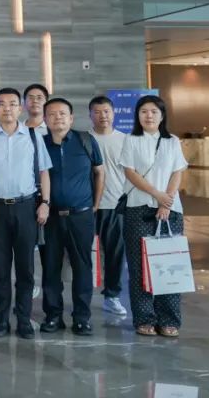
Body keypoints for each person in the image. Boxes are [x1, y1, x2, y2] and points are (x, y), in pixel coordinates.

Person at [0, 88, 51, 339]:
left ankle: (24, 319)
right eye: (2, 104)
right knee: (0, 267)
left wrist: (45, 202)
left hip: (26, 207)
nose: (7, 108)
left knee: (26, 268)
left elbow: (44, 172)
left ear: (20, 108)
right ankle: (2, 319)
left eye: (12, 104)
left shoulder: (33, 136)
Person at [118, 96, 188, 338]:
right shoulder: (131, 139)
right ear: (137, 115)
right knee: (139, 267)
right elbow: (130, 172)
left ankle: (169, 320)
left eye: (154, 112)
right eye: (144, 111)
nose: (148, 116)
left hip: (170, 209)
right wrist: (157, 195)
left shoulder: (172, 141)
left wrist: (166, 201)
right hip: (138, 208)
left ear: (162, 115)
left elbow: (177, 172)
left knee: (169, 264)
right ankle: (144, 319)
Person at [39, 98, 103, 336]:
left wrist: (95, 205)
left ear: (71, 117)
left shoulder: (86, 141)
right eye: (52, 114)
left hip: (81, 216)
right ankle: (53, 316)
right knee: (50, 267)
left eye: (62, 113)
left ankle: (82, 317)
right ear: (45, 119)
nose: (58, 118)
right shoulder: (40, 144)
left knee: (82, 267)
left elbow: (99, 172)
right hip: (50, 218)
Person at [90, 95, 129, 318]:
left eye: (106, 111)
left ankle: (112, 296)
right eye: (97, 112)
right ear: (90, 115)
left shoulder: (125, 140)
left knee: (115, 253)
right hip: (90, 207)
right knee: (84, 255)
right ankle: (83, 296)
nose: (102, 116)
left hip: (116, 206)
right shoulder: (85, 139)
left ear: (113, 113)